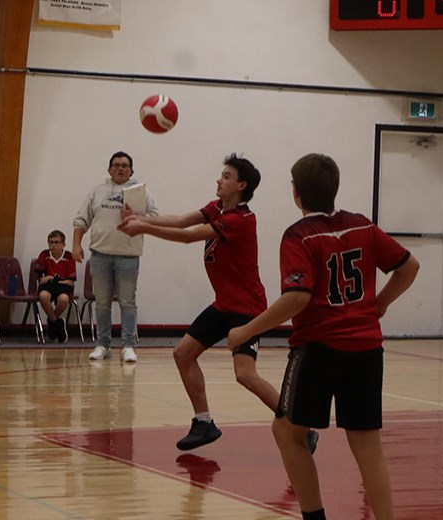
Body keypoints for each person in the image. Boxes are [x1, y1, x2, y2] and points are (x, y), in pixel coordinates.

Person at [227, 153, 420, 520]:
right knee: (367, 445)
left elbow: (297, 298)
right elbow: (409, 267)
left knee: (287, 433)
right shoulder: (362, 226)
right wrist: (379, 304)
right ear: (334, 189)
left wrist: (247, 331)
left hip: (319, 348)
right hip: (366, 348)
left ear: (296, 193)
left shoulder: (299, 236)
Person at [120, 154, 317, 452]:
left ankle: (302, 427)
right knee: (183, 353)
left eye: (225, 176)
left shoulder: (240, 220)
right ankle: (203, 423)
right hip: (223, 305)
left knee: (245, 375)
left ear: (241, 185)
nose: (218, 180)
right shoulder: (217, 208)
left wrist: (144, 228)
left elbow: (188, 237)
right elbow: (183, 220)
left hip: (246, 310)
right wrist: (142, 219)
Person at [72, 151, 158, 363]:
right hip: (100, 256)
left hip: (128, 257)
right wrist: (76, 245)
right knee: (101, 303)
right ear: (109, 169)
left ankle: (128, 345)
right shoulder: (97, 191)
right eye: (117, 165)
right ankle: (103, 344)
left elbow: (155, 218)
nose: (121, 168)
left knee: (128, 302)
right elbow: (82, 219)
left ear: (132, 170)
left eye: (125, 165)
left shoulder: (141, 192)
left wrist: (137, 217)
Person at [35, 229, 77, 343]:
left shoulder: (69, 257)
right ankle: (56, 322)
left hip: (62, 285)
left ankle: (52, 322)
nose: (53, 245)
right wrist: (47, 279)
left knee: (63, 299)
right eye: (50, 242)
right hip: (49, 285)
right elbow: (41, 279)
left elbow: (70, 282)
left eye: (56, 242)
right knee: (43, 296)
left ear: (63, 244)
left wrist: (53, 279)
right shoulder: (44, 255)